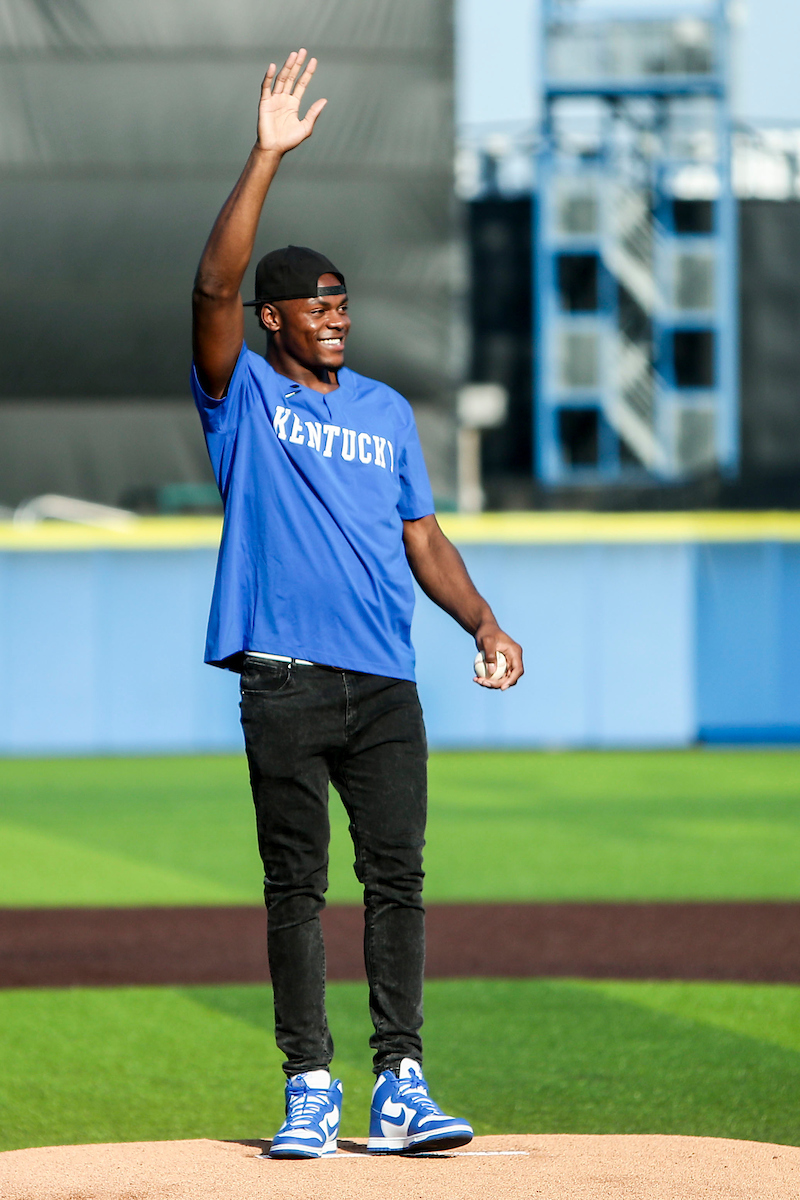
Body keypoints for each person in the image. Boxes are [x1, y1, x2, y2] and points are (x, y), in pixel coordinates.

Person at [191, 48, 524, 1159]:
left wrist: (481, 622)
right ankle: (307, 1086)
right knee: (295, 886)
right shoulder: (243, 392)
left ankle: (400, 1083)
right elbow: (211, 290)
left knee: (398, 881)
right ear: (275, 322)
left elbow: (420, 536)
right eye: (315, 306)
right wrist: (265, 155)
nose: (335, 317)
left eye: (341, 303)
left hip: (384, 681)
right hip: (283, 676)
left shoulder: (382, 409)